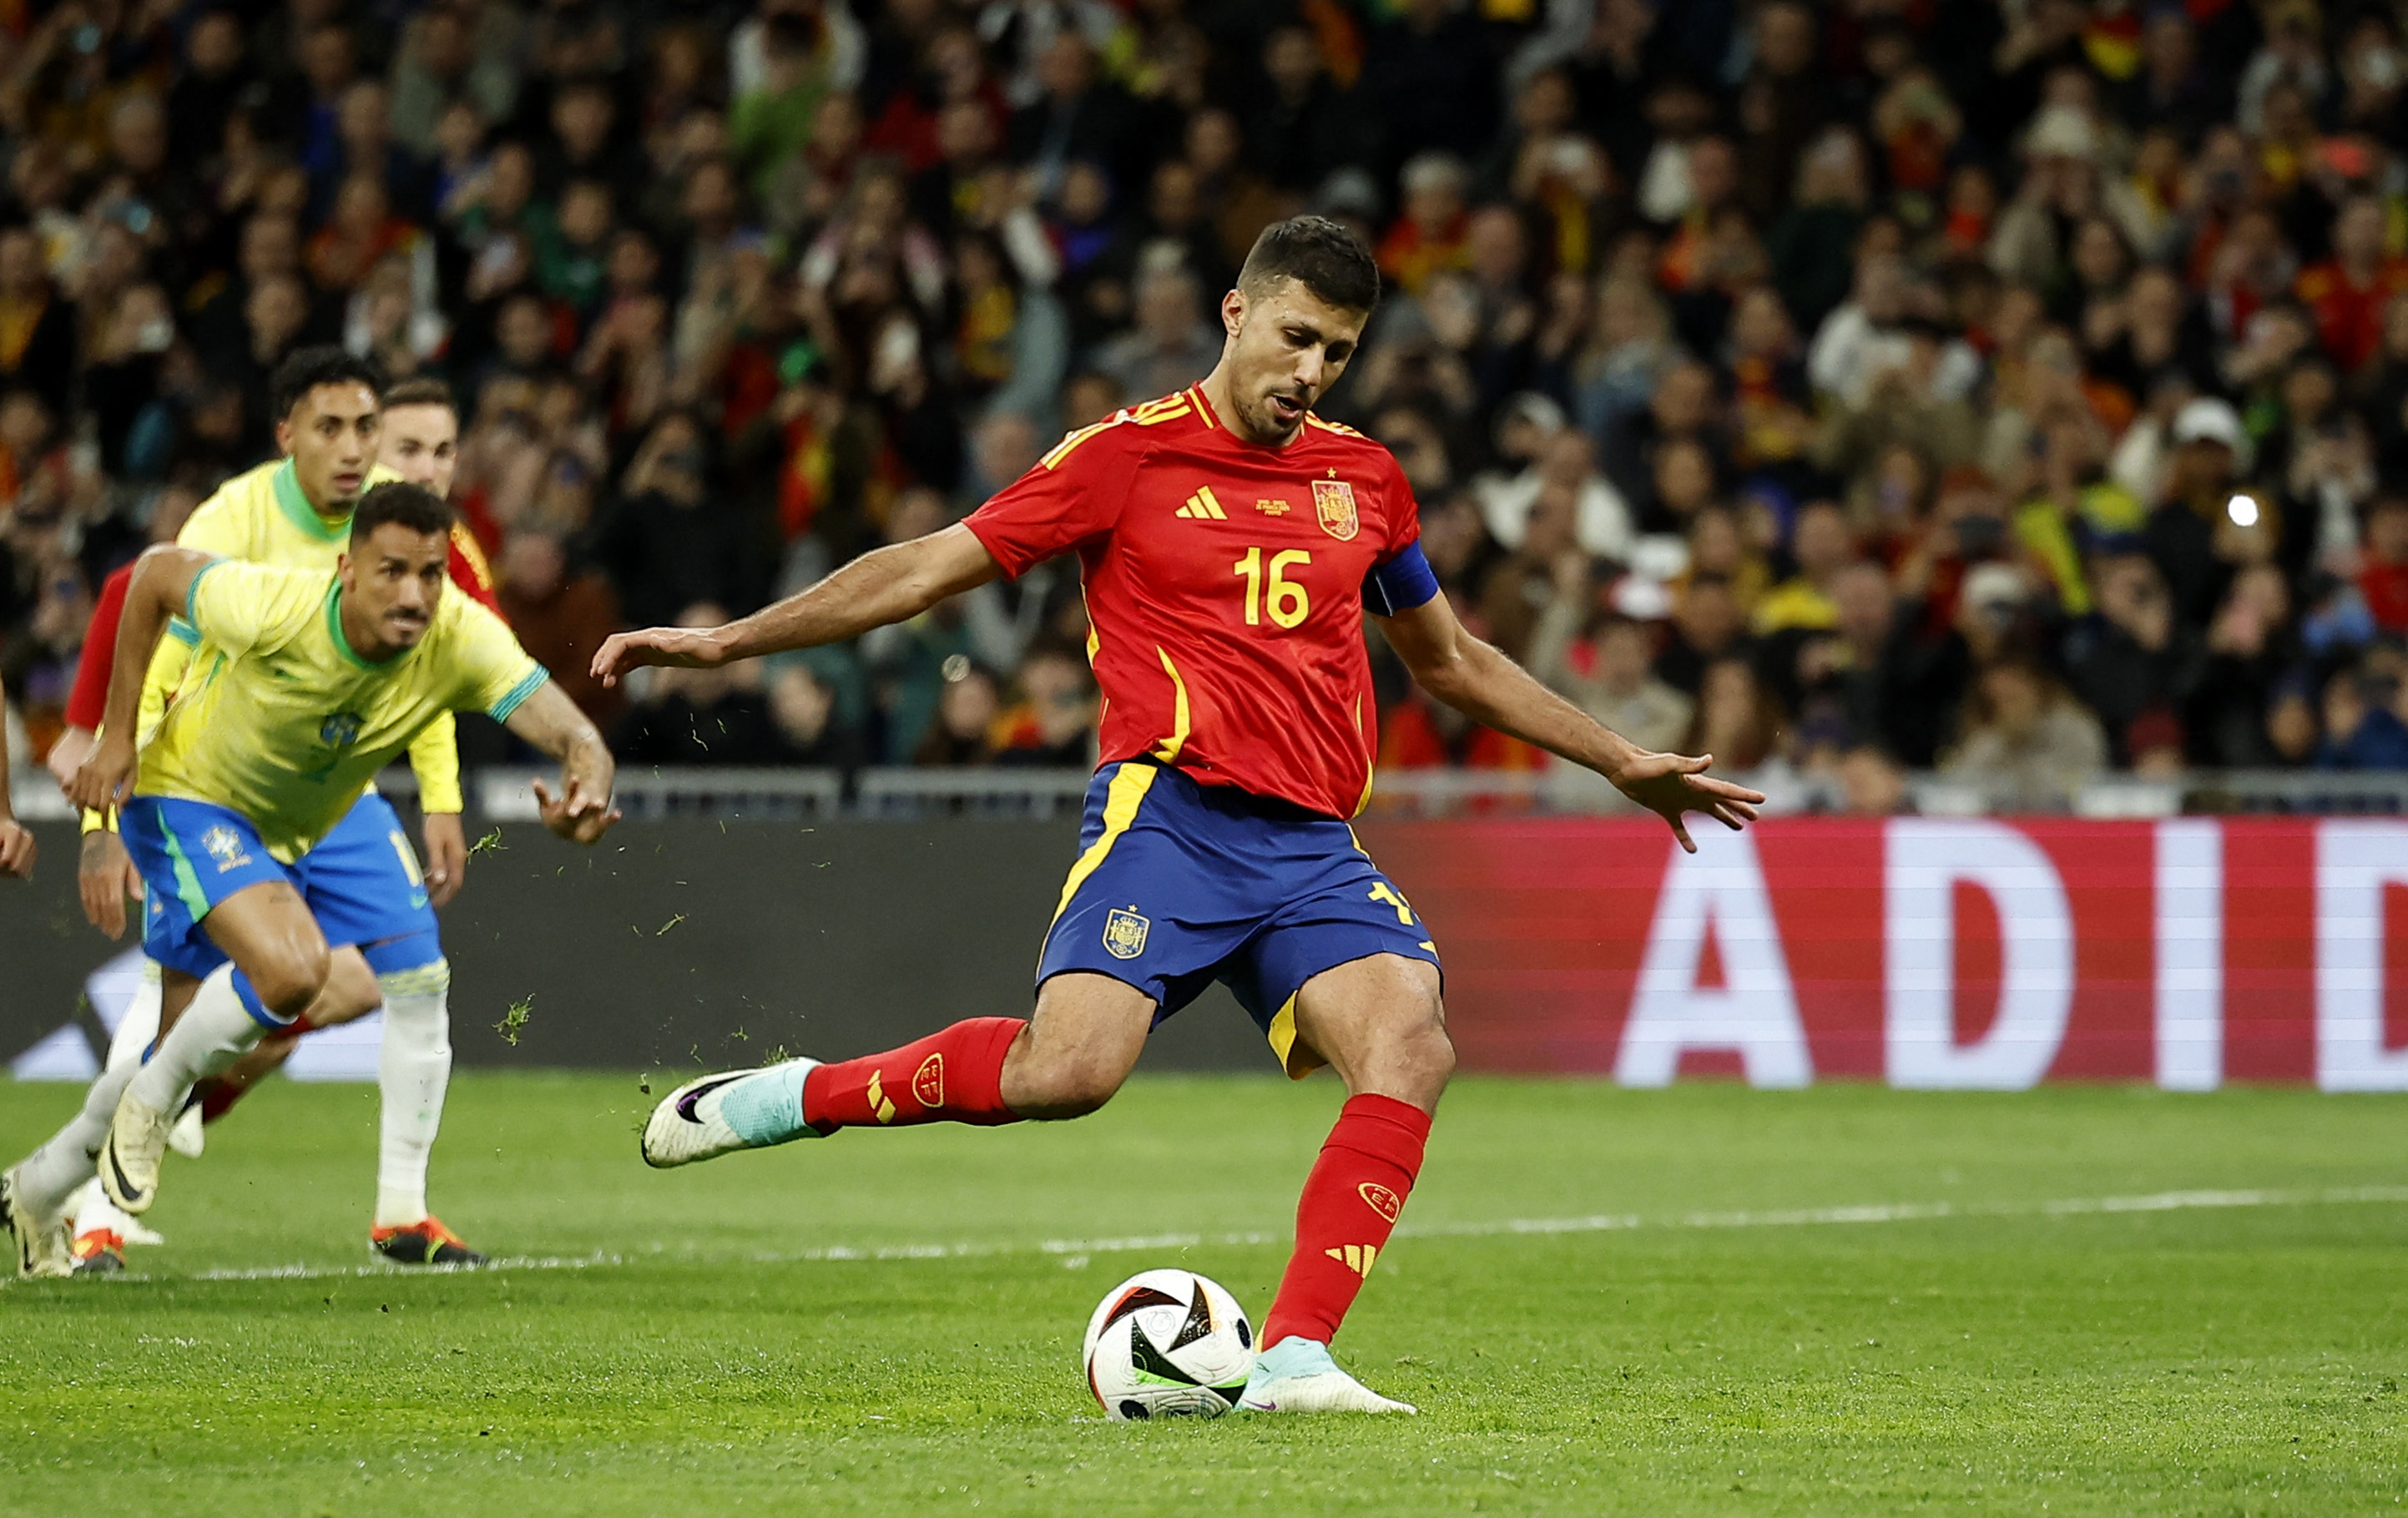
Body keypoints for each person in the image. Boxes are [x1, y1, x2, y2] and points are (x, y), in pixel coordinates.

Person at [593, 217, 1762, 1414]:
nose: (1311, 372)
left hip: (1310, 844)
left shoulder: (1366, 480)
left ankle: (1297, 1356)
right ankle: (797, 1094)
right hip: (1171, 816)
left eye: (1340, 352)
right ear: (1236, 314)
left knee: (1412, 1044)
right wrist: (731, 639)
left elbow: (1450, 661)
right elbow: (930, 566)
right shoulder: (1124, 457)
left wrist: (1619, 757)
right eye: (1298, 337)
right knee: (1070, 1072)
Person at [1, 483, 615, 1278]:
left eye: (430, 574)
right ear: (345, 570)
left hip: (296, 826)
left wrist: (587, 783)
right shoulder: (277, 604)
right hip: (184, 798)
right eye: (390, 570)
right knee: (295, 970)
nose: (413, 593)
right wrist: (114, 742)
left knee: (244, 1015)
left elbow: (573, 731)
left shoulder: (462, 635)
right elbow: (149, 579)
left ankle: (39, 1185)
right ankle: (152, 1105)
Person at [19, 356, 499, 1273]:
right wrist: (104, 823)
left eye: (434, 451)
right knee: (210, 1015)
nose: (414, 467)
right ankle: (80, 1200)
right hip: (212, 786)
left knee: (402, 978)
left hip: (336, 789)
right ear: (292, 436)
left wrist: (440, 794)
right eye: (395, 442)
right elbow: (153, 654)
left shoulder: (421, 540)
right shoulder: (232, 521)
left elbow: (442, 667)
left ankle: (402, 1211)